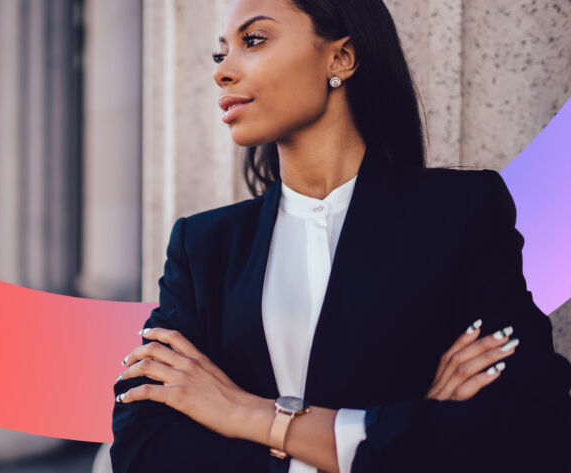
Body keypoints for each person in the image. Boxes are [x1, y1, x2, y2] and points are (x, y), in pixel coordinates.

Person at [110, 0, 571, 472]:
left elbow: (533, 426)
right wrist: (399, 429)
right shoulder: (203, 245)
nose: (222, 72)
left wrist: (242, 413)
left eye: (253, 40)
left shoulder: (461, 213)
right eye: (219, 54)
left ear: (340, 58)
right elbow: (141, 447)